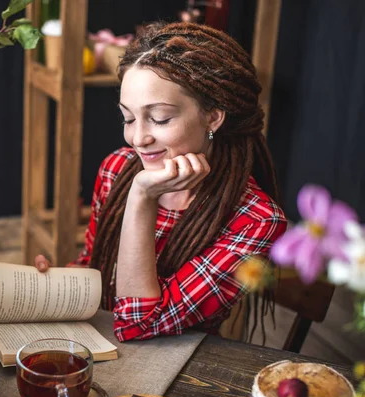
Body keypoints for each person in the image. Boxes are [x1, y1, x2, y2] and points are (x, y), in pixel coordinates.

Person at [35, 21, 287, 342]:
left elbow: (138, 323)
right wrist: (58, 281)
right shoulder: (116, 169)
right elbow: (98, 266)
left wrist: (142, 197)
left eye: (160, 118)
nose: (138, 138)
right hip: (97, 341)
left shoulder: (256, 222)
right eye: (128, 118)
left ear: (212, 117)